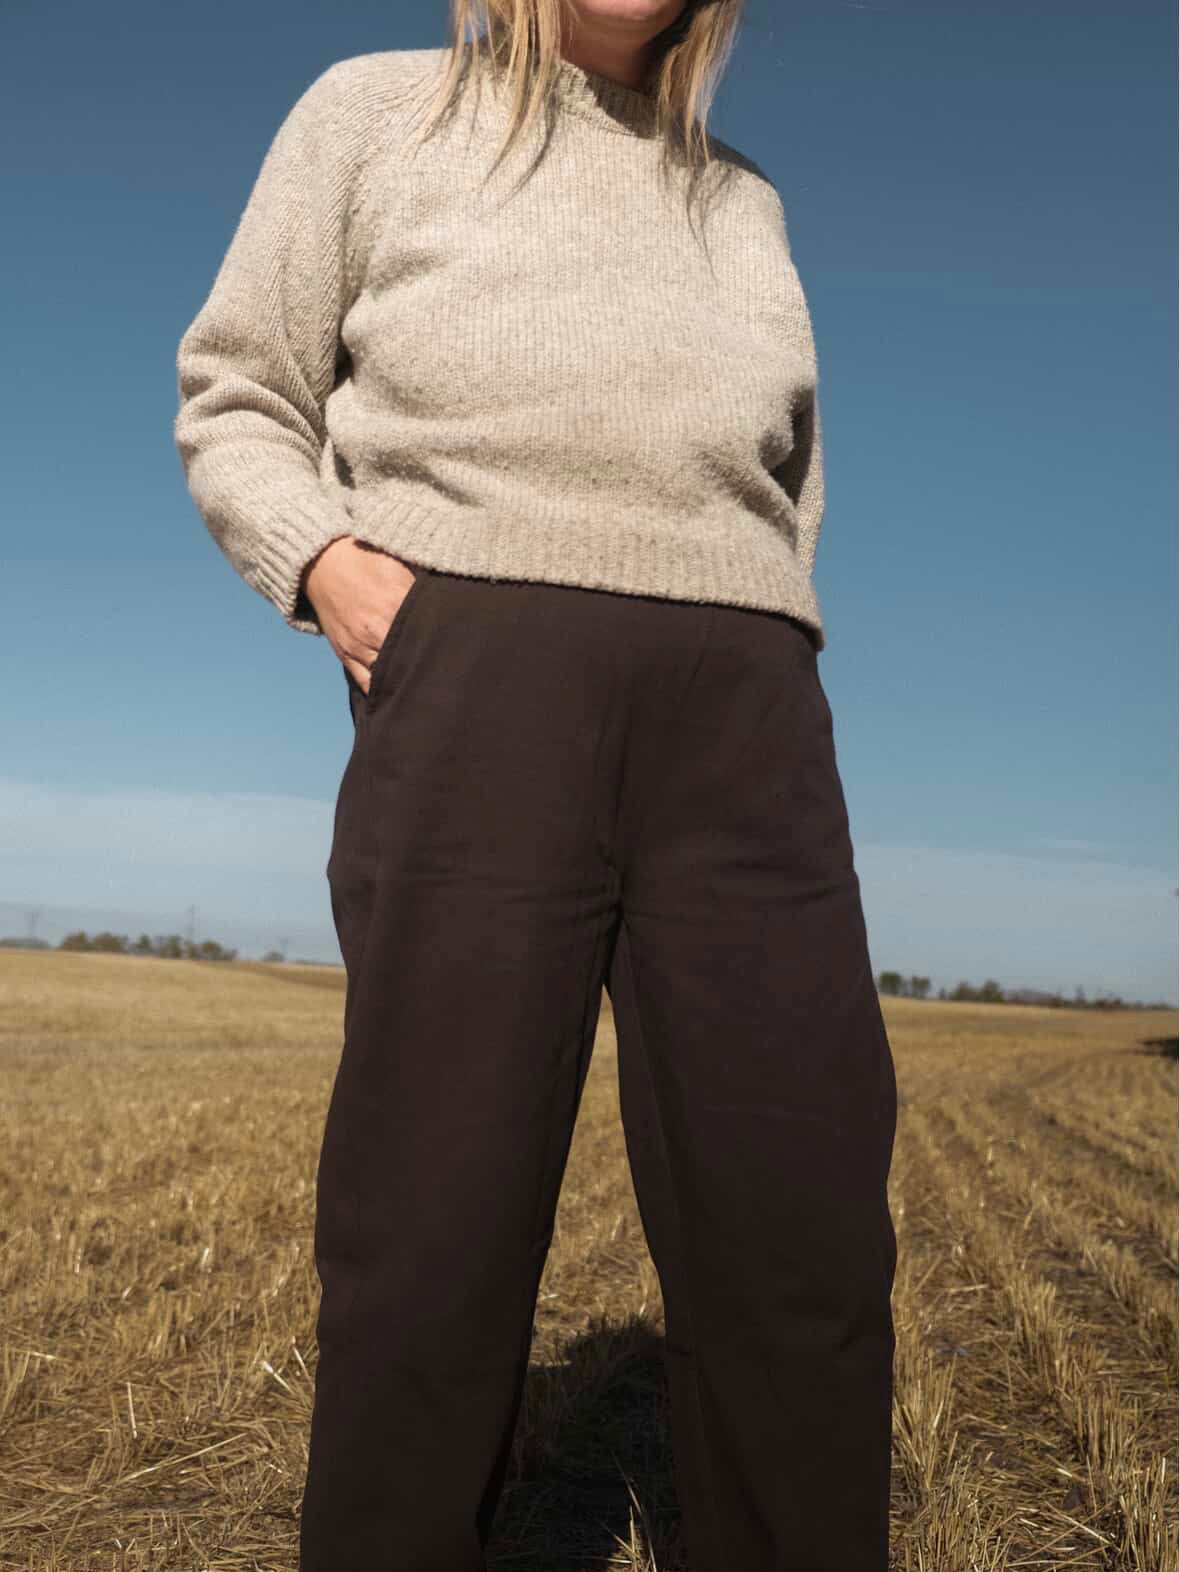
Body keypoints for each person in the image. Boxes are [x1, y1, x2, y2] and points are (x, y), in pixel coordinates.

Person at [172, 2, 899, 1568]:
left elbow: (789, 484)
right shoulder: (375, 113)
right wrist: (335, 573)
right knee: (432, 1232)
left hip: (747, 723)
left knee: (805, 1238)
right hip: (480, 680)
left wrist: (757, 663)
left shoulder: (743, 199)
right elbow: (237, 394)